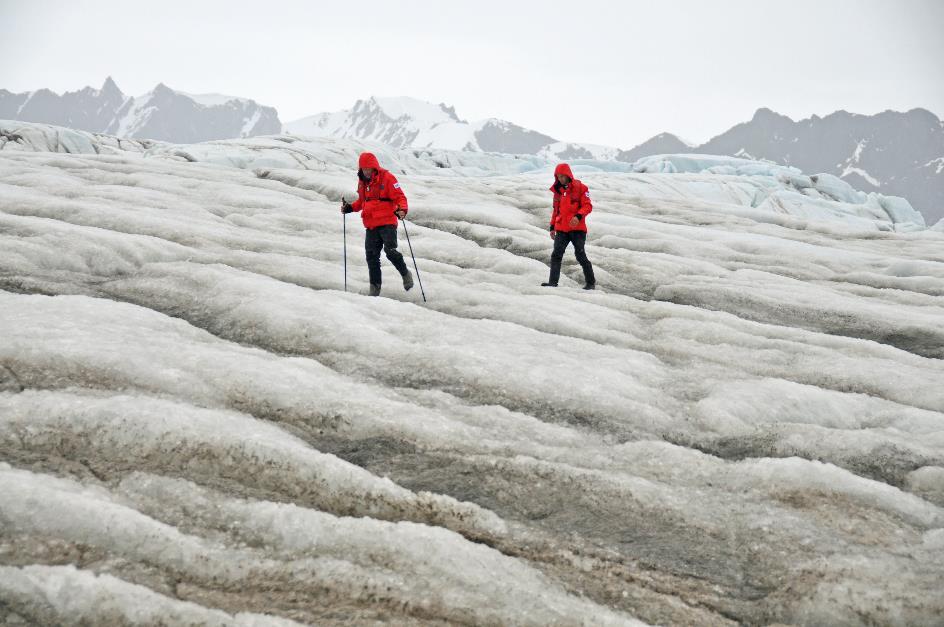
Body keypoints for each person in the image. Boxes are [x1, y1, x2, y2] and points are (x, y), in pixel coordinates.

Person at [341, 152, 414, 296]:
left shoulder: (387, 178)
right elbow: (362, 202)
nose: (366, 171)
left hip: (387, 222)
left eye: (369, 168)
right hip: (371, 224)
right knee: (371, 257)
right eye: (364, 169)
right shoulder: (362, 182)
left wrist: (402, 209)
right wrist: (350, 208)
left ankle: (405, 273)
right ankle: (374, 291)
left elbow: (400, 197)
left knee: (390, 251)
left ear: (374, 167)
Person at [542, 163, 596, 289]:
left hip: (577, 230)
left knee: (580, 255)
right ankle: (552, 283)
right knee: (556, 255)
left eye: (562, 176)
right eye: (558, 176)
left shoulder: (581, 188)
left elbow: (587, 206)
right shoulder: (557, 192)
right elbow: (556, 211)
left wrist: (578, 216)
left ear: (568, 175)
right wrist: (552, 227)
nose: (560, 179)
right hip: (561, 229)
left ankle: (590, 283)